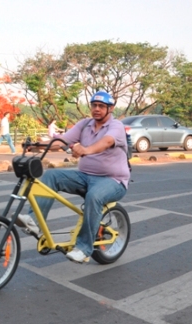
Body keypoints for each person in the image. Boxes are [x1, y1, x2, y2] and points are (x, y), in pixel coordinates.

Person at [16, 90, 130, 264]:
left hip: (113, 180)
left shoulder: (116, 126)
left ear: (110, 108)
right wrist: (36, 146)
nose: (97, 109)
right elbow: (62, 140)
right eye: (94, 105)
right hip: (84, 176)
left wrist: (86, 149)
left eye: (101, 106)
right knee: (51, 176)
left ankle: (84, 248)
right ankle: (33, 220)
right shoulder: (85, 124)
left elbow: (106, 142)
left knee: (94, 196)